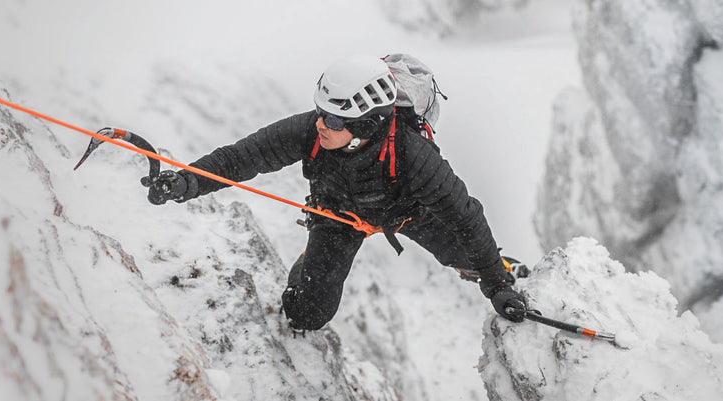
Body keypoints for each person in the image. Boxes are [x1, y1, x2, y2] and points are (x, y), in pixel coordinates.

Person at [142, 54, 527, 331]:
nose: (323, 123)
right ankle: (308, 262)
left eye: (336, 118)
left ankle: (506, 270)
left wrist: (499, 286)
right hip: (337, 217)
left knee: (476, 257)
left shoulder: (412, 155)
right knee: (306, 315)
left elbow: (465, 216)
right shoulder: (311, 130)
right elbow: (242, 157)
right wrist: (185, 183)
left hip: (408, 212)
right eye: (321, 110)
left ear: (369, 122)